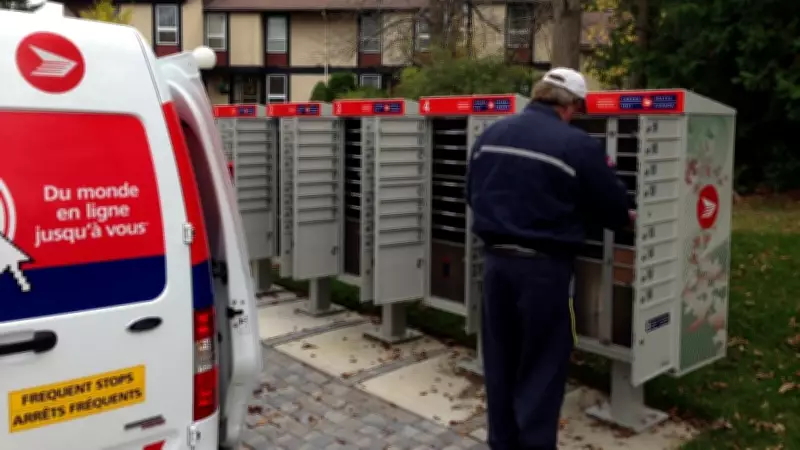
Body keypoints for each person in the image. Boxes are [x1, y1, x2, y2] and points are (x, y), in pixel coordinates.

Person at [466, 68, 633, 450]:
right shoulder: (577, 145)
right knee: (543, 365)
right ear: (571, 105)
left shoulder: (490, 135)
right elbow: (613, 208)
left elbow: (472, 195)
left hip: (495, 268)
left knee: (500, 363)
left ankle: (502, 442)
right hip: (544, 272)